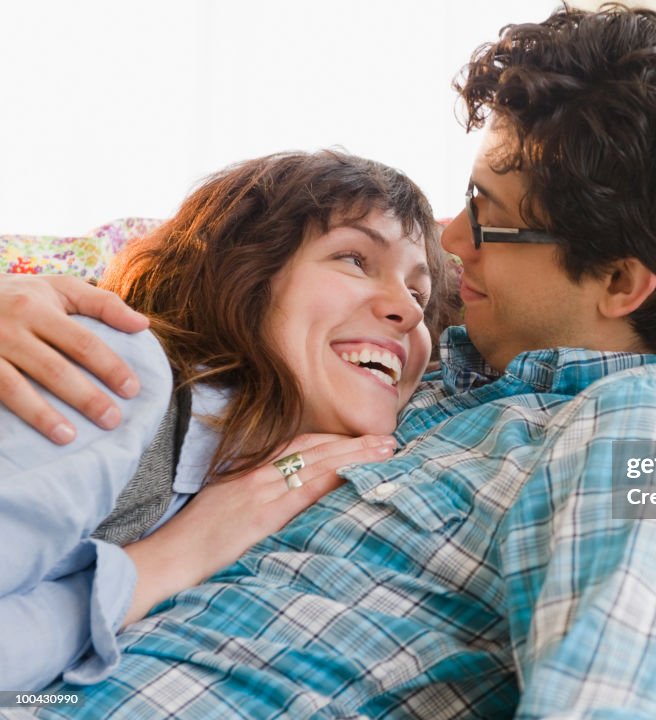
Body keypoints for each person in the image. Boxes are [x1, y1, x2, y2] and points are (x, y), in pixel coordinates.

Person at [1, 7, 656, 717]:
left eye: (489, 218)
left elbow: (613, 699)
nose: (453, 240)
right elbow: (222, 265)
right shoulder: (446, 361)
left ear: (620, 282)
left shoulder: (641, 436)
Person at [0, 150, 452, 691]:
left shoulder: (272, 487)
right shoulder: (116, 373)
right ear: (245, 273)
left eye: (420, 292)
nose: (408, 309)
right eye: (354, 258)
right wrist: (178, 556)